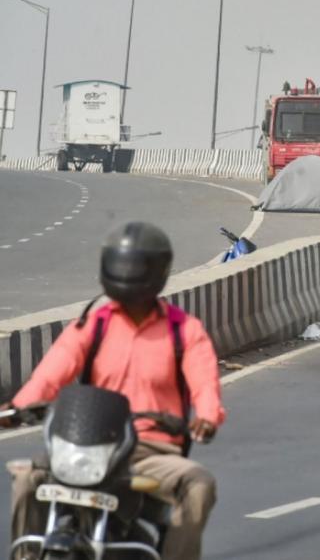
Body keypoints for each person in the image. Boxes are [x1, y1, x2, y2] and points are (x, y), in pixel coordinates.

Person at [4, 223, 224, 560]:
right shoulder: (94, 324)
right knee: (26, 479)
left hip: (152, 453)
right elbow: (51, 373)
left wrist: (207, 417)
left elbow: (204, 382)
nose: (127, 273)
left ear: (158, 271)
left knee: (199, 485)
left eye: (135, 267)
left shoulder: (184, 331)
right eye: (121, 264)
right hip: (88, 447)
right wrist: (17, 407)